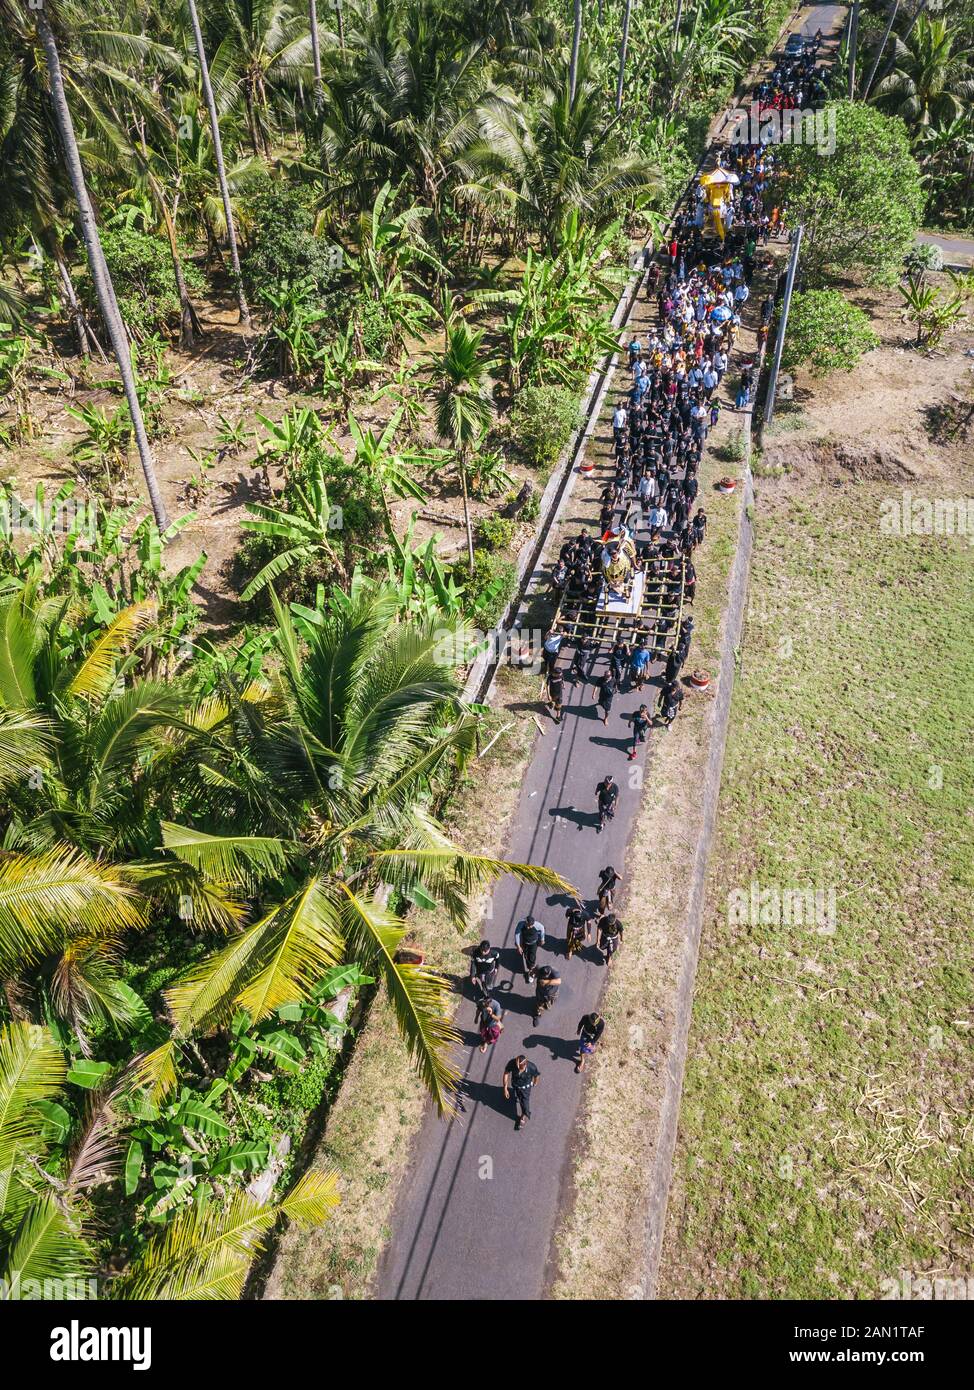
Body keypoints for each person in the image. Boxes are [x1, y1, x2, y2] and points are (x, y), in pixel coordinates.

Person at [503, 1054, 540, 1131]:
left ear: (525, 1064)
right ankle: (517, 1096)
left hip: (525, 1089)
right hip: (515, 1085)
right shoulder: (512, 1063)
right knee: (518, 1096)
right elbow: (506, 1073)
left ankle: (524, 1116)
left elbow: (536, 1075)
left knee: (525, 1103)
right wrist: (505, 1088)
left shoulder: (532, 1067)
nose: (519, 1070)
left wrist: (535, 1083)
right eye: (517, 1068)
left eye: (520, 1068)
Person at [514, 913, 545, 982]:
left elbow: (542, 929)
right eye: (527, 925)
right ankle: (530, 967)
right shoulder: (521, 924)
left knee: (532, 956)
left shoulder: (537, 925)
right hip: (525, 943)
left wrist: (542, 939)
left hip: (534, 943)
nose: (527, 927)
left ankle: (531, 970)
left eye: (529, 926)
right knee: (526, 955)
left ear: (533, 925)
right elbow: (517, 934)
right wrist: (519, 946)